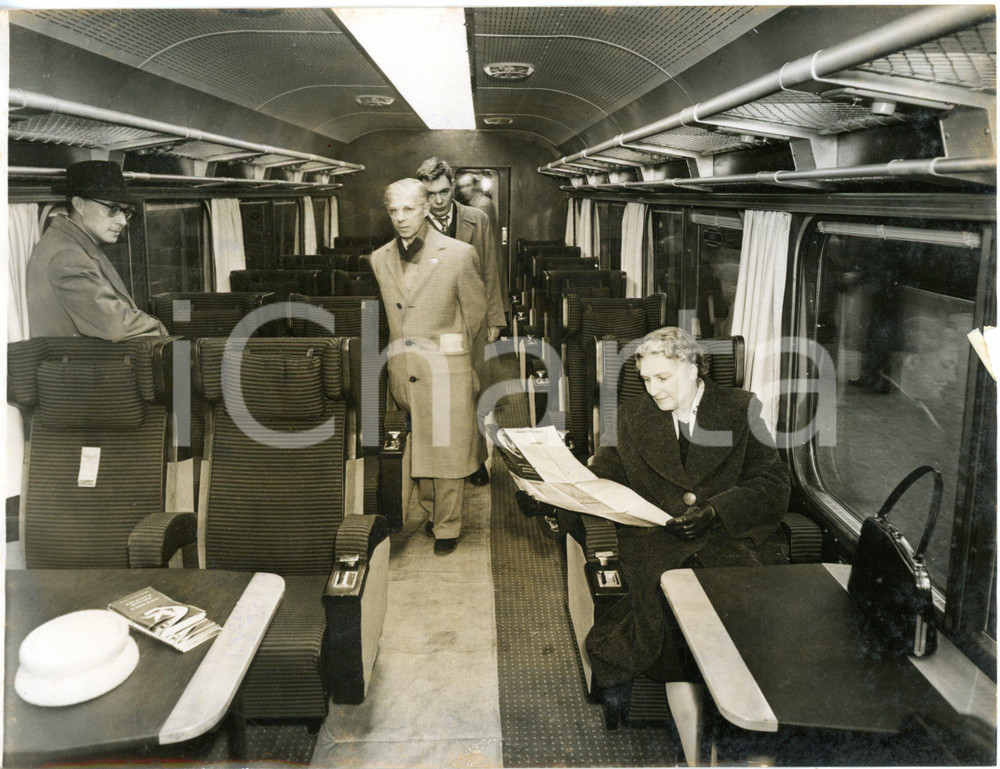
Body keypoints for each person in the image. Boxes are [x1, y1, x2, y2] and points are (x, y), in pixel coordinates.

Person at [582, 327, 789, 717]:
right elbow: (605, 476)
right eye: (646, 380)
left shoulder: (741, 408)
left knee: (740, 634)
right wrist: (558, 491)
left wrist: (716, 511)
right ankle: (698, 743)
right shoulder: (630, 417)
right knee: (674, 630)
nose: (653, 390)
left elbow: (773, 483)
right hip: (658, 547)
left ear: (693, 369)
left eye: (663, 378)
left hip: (727, 543)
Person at [369, 179, 487, 555]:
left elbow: (475, 313)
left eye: (409, 209)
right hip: (403, 369)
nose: (401, 218)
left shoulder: (459, 254)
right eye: (394, 210)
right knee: (420, 447)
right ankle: (433, 512)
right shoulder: (380, 259)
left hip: (446, 368)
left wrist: (454, 353)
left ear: (425, 209)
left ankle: (448, 524)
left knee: (447, 448)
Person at [416, 157, 505, 487]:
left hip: (472, 319)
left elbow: (491, 270)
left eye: (443, 191)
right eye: (431, 194)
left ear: (453, 187)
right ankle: (440, 464)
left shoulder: (477, 219)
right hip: (431, 322)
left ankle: (476, 460)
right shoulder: (413, 222)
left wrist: (495, 318)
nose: (438, 201)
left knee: (473, 392)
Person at [27, 160, 167, 339]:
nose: (122, 222)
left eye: (125, 212)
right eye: (113, 209)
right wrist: (164, 329)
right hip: (88, 357)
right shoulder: (67, 257)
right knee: (184, 348)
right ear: (79, 204)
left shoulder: (75, 244)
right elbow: (116, 325)